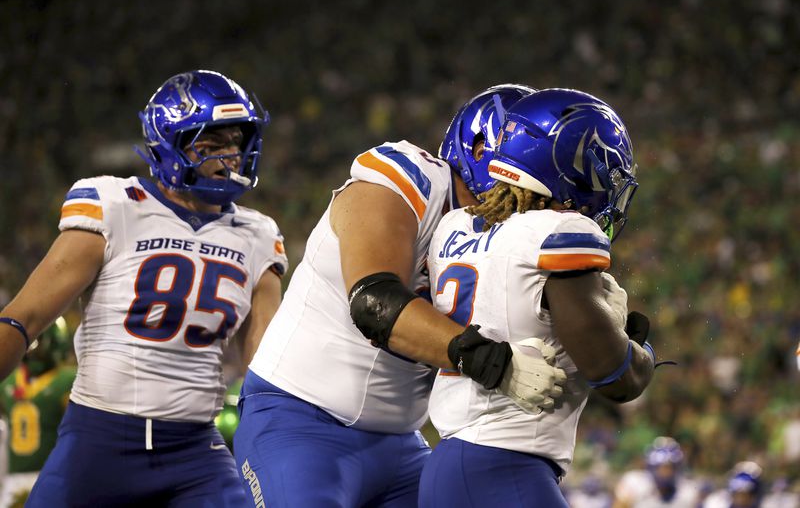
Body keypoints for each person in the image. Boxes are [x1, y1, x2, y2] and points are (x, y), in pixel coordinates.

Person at [236, 84, 567, 507]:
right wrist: (495, 364)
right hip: (298, 421)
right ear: (486, 151)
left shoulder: (509, 236)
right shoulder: (410, 177)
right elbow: (375, 305)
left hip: (402, 447)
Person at [0, 69, 287, 506]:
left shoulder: (257, 234)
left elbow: (266, 363)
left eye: (236, 142)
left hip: (196, 451)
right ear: (170, 146)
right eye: (212, 144)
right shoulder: (114, 205)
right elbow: (26, 318)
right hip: (99, 439)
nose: (230, 156)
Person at [416, 88, 657, 507]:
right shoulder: (560, 233)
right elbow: (616, 375)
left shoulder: (453, 227)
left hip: (446, 468)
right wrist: (639, 347)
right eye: (602, 172)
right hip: (506, 469)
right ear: (568, 164)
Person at [0, 318, 76, 507]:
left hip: (50, 475)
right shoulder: (8, 381)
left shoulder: (67, 380)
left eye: (38, 344)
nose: (33, 351)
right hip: (12, 480)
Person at [613, 436, 701, 507]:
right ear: (651, 466)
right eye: (661, 467)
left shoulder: (687, 491)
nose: (665, 472)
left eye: (670, 467)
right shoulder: (635, 482)